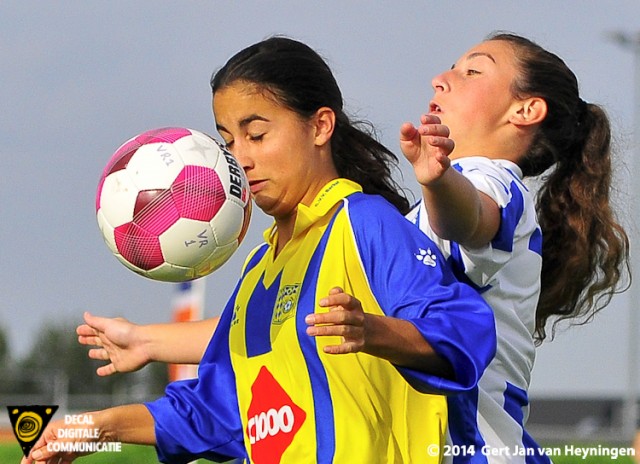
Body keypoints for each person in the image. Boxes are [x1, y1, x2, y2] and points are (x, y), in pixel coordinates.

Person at [77, 32, 631, 464]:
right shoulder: (350, 235)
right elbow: (283, 332)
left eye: (470, 71)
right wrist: (144, 342)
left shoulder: (491, 183)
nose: (442, 77)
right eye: (227, 140)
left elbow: (473, 222)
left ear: (525, 111)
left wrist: (438, 183)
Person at [25, 37, 496, 464]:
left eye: (257, 134)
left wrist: (373, 330)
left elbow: (465, 331)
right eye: (228, 140)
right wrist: (93, 428)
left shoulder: (362, 222)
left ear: (320, 126)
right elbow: (220, 409)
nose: (241, 157)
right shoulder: (258, 270)